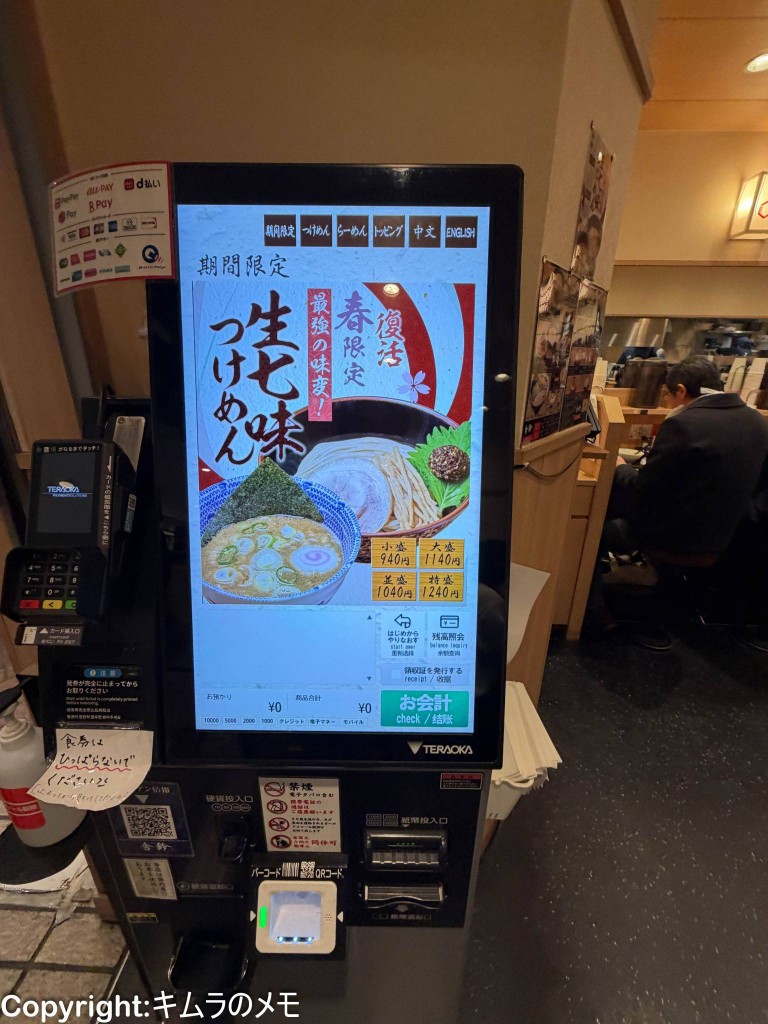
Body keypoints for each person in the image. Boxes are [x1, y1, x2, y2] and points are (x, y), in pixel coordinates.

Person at [586, 356, 768, 648]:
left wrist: (619, 466)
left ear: (681, 390)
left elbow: (642, 490)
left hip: (675, 537)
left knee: (593, 528)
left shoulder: (685, 424)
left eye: (669, 395)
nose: (670, 401)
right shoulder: (757, 421)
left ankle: (595, 612)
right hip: (726, 535)